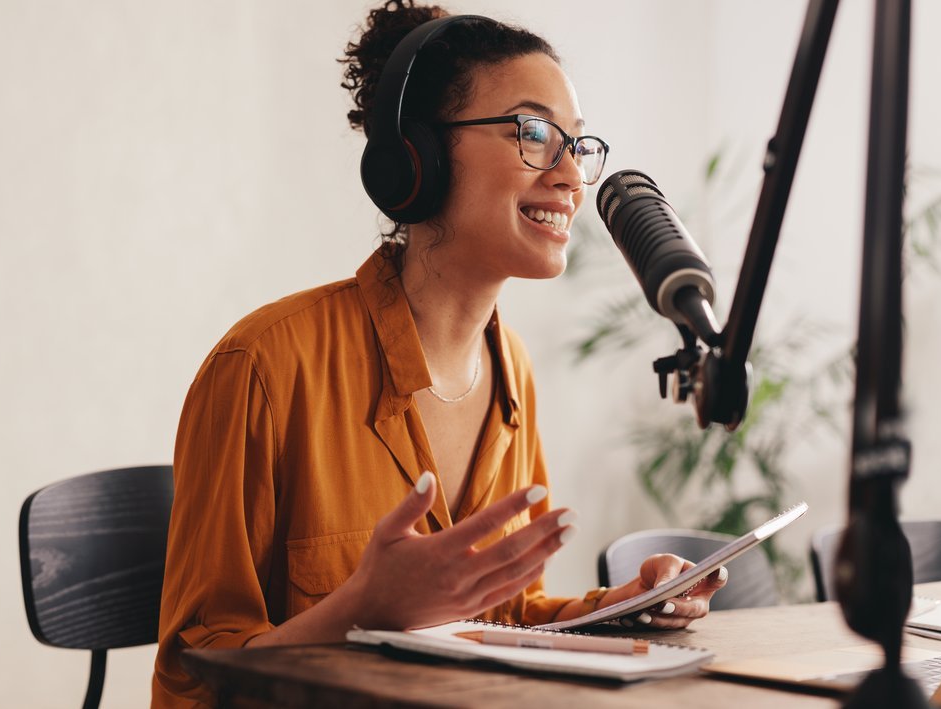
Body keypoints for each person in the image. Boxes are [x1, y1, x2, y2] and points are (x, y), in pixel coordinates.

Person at [151, 3, 727, 705]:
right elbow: (192, 677)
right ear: (415, 160)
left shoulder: (510, 370)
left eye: (578, 144)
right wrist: (362, 606)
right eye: (534, 132)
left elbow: (499, 620)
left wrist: (617, 609)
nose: (572, 176)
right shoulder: (266, 367)